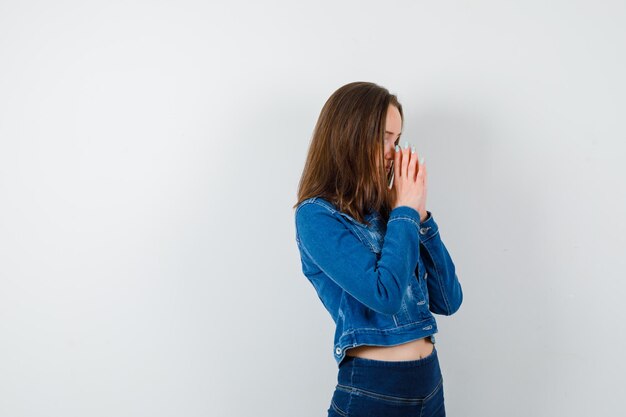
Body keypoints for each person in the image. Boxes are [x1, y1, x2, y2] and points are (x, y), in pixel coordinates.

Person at [293, 81, 463, 416]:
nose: (393, 151)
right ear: (349, 134)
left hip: (430, 382)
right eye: (384, 137)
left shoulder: (391, 210)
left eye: (397, 140)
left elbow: (448, 300)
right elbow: (385, 295)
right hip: (375, 390)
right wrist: (405, 211)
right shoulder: (316, 216)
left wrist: (421, 216)